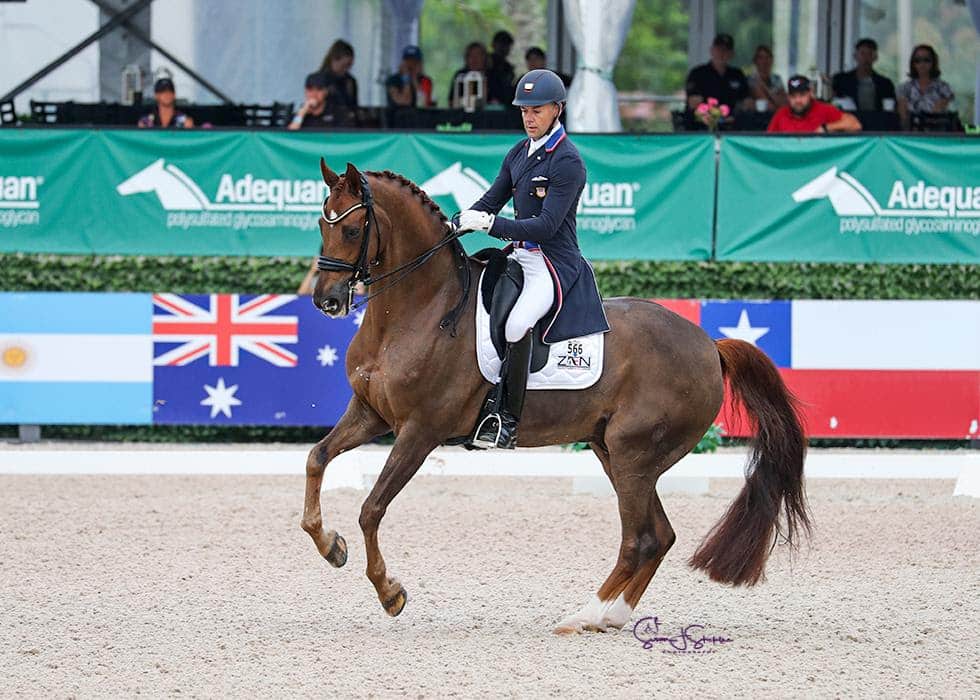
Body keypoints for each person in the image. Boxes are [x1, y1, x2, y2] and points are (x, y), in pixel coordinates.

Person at [452, 69, 610, 449]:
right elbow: (491, 200)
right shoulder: (519, 153)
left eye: (536, 110)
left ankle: (505, 419)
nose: (528, 117)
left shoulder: (567, 161)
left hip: (554, 263)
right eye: (524, 110)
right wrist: (455, 224)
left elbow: (545, 226)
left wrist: (489, 224)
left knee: (516, 325)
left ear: (557, 109)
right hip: (520, 257)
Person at [684, 33, 751, 124]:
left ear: (732, 54)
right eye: (719, 49)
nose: (722, 53)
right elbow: (693, 103)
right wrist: (713, 119)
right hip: (702, 127)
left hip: (732, 126)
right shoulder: (698, 73)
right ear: (712, 50)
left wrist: (737, 116)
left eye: (726, 50)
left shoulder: (737, 75)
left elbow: (747, 101)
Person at [767, 75, 862, 133]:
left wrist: (826, 128)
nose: (798, 100)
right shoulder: (781, 114)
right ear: (788, 97)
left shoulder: (824, 109)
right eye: (793, 96)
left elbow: (855, 125)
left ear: (810, 94)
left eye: (802, 95)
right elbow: (768, 141)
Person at [897, 44, 954, 129]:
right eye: (917, 60)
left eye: (926, 60)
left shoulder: (944, 88)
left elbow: (940, 116)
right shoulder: (904, 88)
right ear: (913, 64)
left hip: (936, 136)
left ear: (933, 62)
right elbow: (903, 118)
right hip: (910, 136)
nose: (922, 64)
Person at [831, 38, 896, 111]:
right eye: (862, 53)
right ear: (855, 56)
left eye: (870, 54)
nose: (866, 58)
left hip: (877, 121)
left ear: (875, 57)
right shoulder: (841, 80)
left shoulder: (885, 84)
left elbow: (890, 109)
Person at [318, 39, 358, 123]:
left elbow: (354, 107)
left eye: (349, 66)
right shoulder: (318, 79)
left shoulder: (350, 81)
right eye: (344, 65)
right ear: (334, 60)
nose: (346, 69)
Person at [448, 42, 488, 108]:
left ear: (484, 58)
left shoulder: (493, 76)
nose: (474, 59)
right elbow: (451, 102)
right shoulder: (460, 76)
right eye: (471, 56)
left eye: (478, 55)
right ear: (466, 58)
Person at [747, 45, 786, 110]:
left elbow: (784, 103)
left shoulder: (777, 78)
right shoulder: (752, 79)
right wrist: (776, 98)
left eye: (768, 57)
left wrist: (764, 87)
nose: (765, 61)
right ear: (755, 61)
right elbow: (767, 105)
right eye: (761, 57)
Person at [486, 30, 516, 104]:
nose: (503, 48)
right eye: (501, 44)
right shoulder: (486, 63)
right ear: (493, 45)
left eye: (506, 45)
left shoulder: (507, 67)